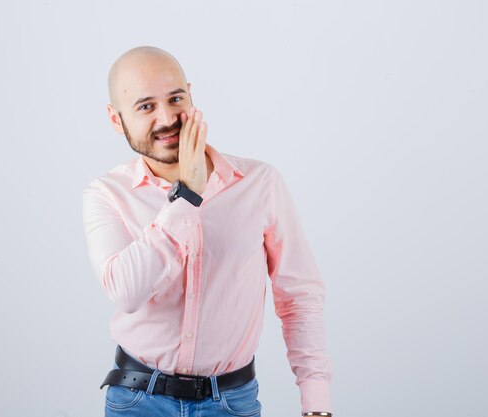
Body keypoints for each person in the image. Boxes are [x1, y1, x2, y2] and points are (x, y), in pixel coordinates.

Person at [82, 45, 333, 417]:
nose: (167, 118)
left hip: (232, 402)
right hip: (137, 401)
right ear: (116, 119)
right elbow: (127, 291)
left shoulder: (259, 183)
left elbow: (299, 298)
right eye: (146, 106)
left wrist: (317, 403)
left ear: (191, 95)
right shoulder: (106, 194)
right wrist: (187, 195)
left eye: (175, 98)